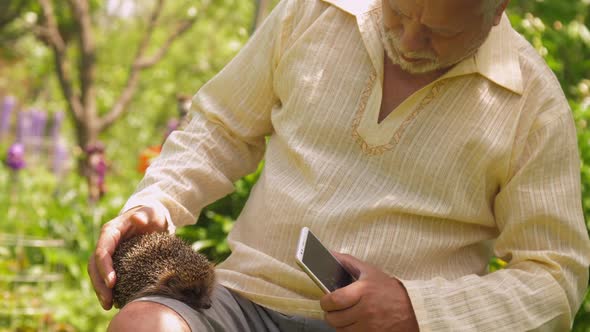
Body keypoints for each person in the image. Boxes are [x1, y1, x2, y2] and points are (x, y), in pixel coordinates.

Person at [88, 0, 590, 330]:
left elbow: (554, 279)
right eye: (397, 12)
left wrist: (417, 310)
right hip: (242, 305)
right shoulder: (313, 13)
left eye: (439, 31)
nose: (410, 41)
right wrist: (158, 199)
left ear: (496, 8)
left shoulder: (533, 105)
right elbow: (221, 127)